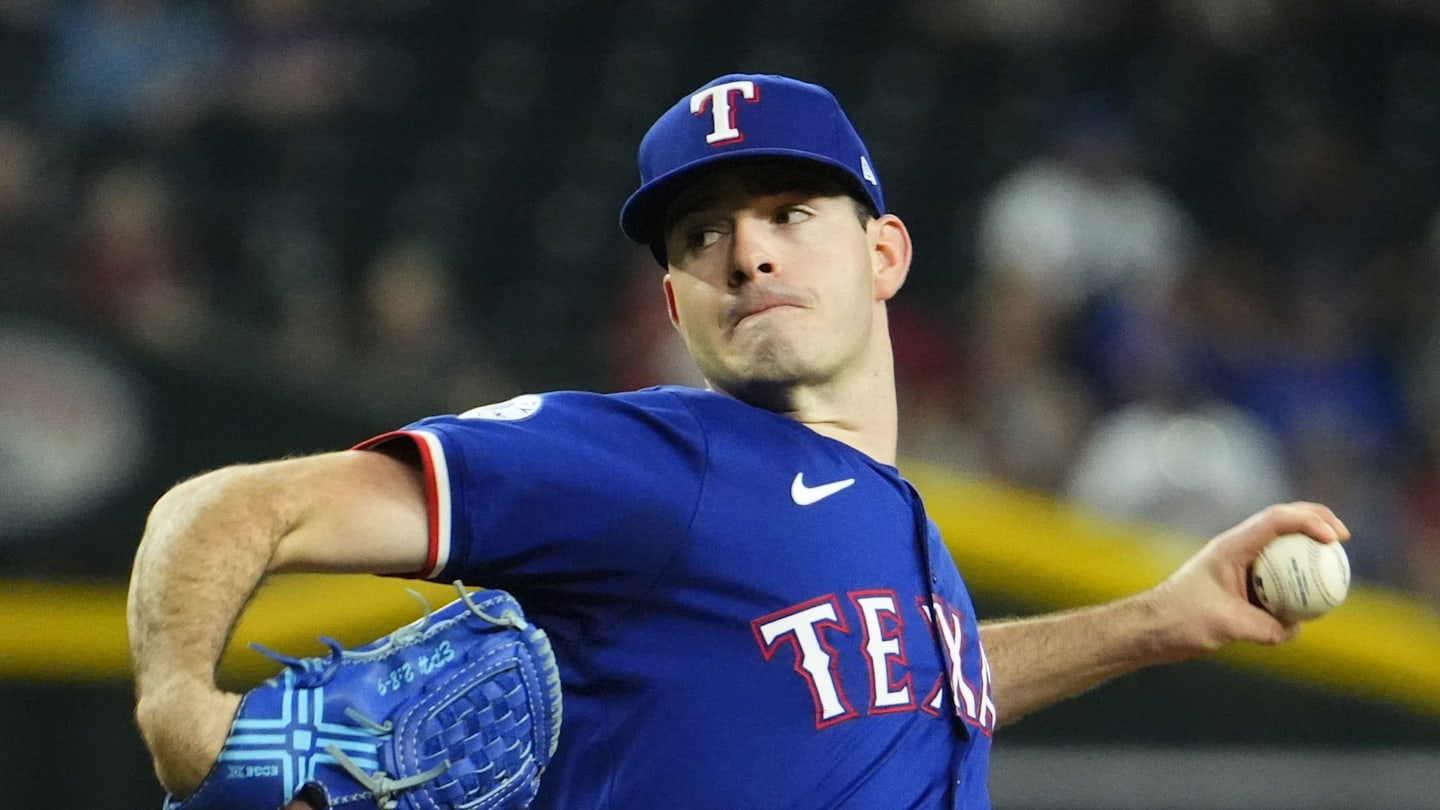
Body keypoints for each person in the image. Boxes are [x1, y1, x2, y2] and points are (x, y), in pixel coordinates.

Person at [128, 74, 1351, 809]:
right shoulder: (657, 465)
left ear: (884, 256)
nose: (748, 251)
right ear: (674, 304)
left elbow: (920, 685)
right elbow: (229, 506)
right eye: (701, 235)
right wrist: (181, 702)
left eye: (788, 212)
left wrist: (1160, 620)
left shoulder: (894, 519)